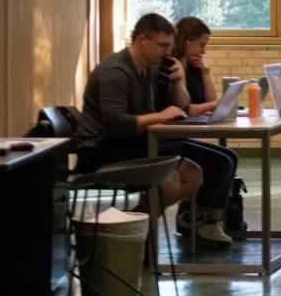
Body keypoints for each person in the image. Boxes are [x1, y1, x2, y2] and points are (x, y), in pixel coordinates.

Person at [73, 13, 202, 217]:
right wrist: (160, 116)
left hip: (129, 144)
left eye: (170, 45)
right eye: (163, 45)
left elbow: (182, 108)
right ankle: (140, 230)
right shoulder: (115, 72)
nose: (168, 52)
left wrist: (179, 82)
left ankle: (139, 218)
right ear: (142, 39)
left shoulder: (149, 68)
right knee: (168, 182)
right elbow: (116, 123)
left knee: (193, 173)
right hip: (100, 150)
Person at [153, 16, 238, 246]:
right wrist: (213, 106)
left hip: (180, 135)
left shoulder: (191, 68)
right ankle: (194, 217)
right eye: (201, 44)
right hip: (167, 140)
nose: (203, 50)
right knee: (220, 162)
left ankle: (211, 222)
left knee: (229, 157)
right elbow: (185, 108)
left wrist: (204, 72)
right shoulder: (172, 68)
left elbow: (210, 98)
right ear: (187, 40)